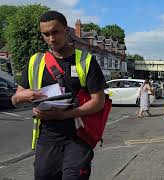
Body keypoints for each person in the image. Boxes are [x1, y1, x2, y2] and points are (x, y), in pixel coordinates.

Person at [11, 11, 106, 180]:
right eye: (45, 34)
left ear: (67, 31)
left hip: (79, 136)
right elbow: (15, 99)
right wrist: (26, 96)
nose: (51, 39)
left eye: (55, 32)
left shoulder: (86, 61)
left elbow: (98, 102)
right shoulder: (36, 61)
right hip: (47, 138)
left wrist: (65, 115)